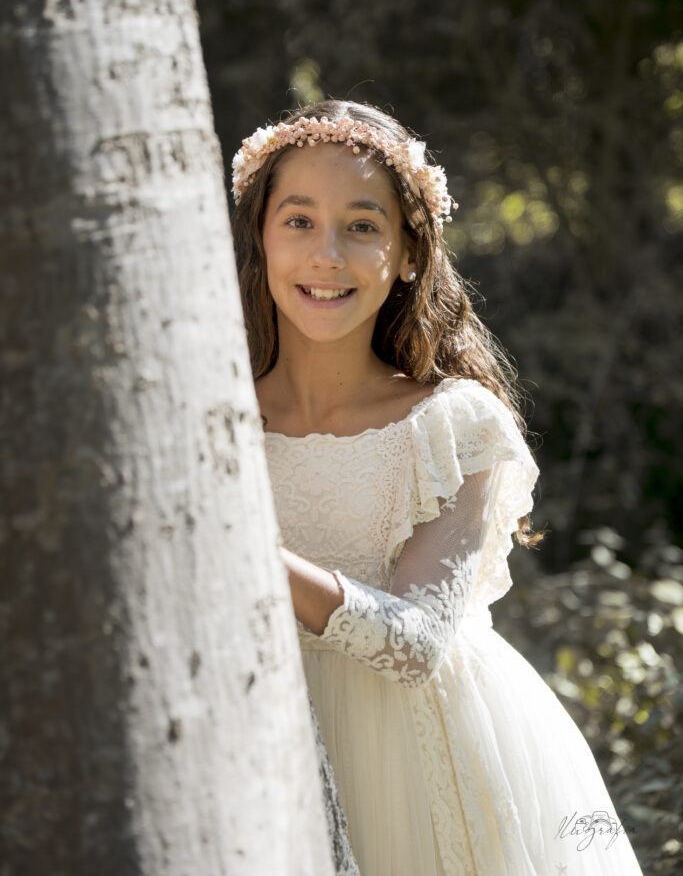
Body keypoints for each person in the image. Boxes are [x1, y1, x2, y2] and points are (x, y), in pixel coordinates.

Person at [230, 99, 644, 876]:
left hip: (420, 761)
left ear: (409, 252)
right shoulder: (207, 420)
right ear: (259, 237)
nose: (327, 255)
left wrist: (244, 554)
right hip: (244, 741)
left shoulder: (454, 426)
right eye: (297, 221)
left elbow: (415, 643)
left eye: (361, 226)